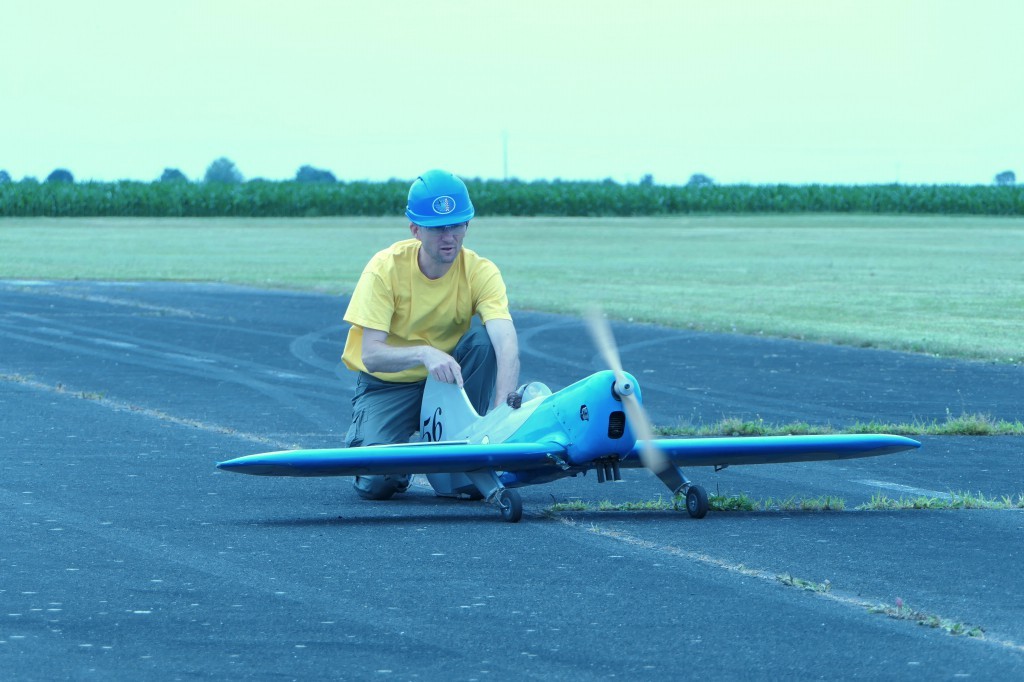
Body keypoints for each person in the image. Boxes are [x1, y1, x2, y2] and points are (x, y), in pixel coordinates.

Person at [340, 169, 521, 500]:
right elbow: (371, 354)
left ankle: (471, 438)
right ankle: (400, 462)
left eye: (457, 224)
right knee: (376, 485)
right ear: (415, 230)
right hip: (387, 384)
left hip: (448, 382)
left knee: (484, 341)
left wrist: (500, 415)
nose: (449, 236)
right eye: (437, 228)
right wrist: (424, 352)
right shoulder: (384, 269)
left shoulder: (482, 271)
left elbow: (506, 344)